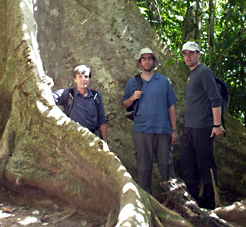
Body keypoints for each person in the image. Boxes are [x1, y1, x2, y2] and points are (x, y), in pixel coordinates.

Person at [121, 48, 178, 194]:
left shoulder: (164, 82)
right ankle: (146, 203)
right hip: (141, 130)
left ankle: (174, 199)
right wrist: (133, 97)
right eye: (144, 59)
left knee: (166, 166)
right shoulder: (133, 82)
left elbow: (171, 106)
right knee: (143, 167)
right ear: (140, 63)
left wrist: (174, 130)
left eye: (149, 58)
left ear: (153, 61)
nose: (147, 61)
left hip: (162, 130)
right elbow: (125, 104)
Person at [179, 41, 224, 209]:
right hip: (190, 128)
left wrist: (217, 124)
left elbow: (215, 98)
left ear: (198, 54)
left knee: (205, 162)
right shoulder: (192, 74)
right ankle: (193, 197)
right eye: (185, 54)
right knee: (186, 161)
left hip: (204, 127)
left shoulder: (204, 72)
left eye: (191, 53)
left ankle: (211, 200)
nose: (188, 56)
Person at [49, 65, 108, 141]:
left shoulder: (95, 96)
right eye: (80, 76)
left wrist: (105, 142)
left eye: (86, 76)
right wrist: (49, 84)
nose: (83, 79)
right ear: (75, 79)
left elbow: (102, 120)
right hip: (74, 138)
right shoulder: (68, 94)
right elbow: (47, 97)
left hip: (93, 138)